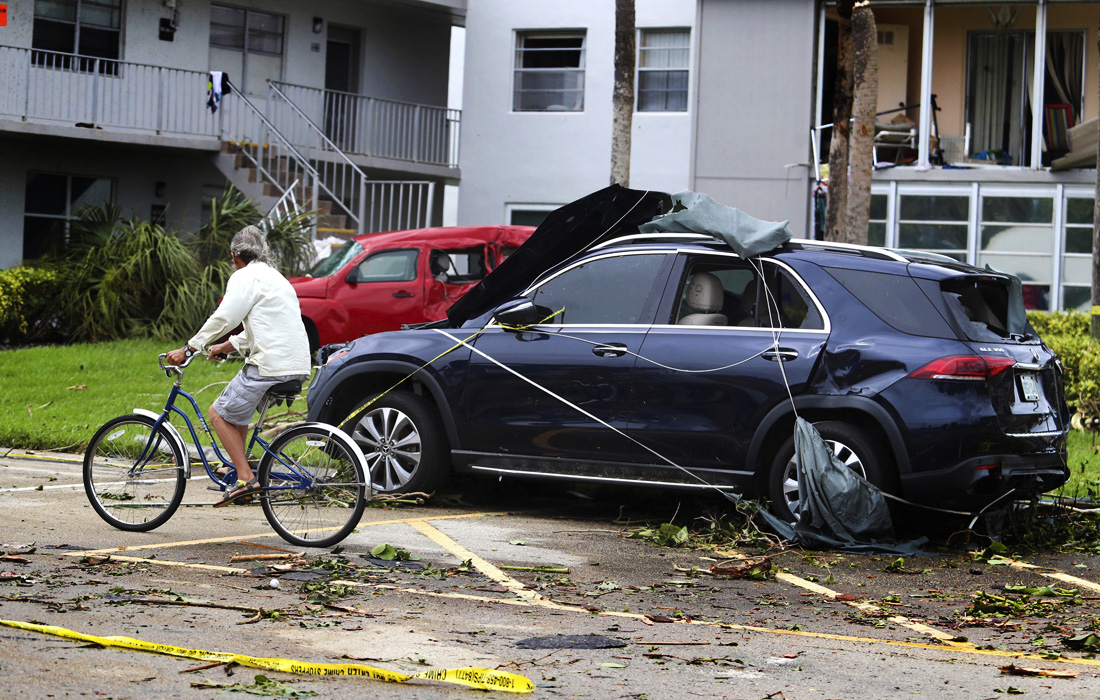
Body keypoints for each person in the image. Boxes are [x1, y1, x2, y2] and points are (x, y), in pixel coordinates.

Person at [166, 226, 311, 507]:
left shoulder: (244, 276)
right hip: (296, 363)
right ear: (263, 252)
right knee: (238, 414)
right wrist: (225, 346)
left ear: (235, 257)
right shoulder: (276, 278)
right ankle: (237, 468)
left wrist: (188, 348)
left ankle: (246, 479)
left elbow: (225, 317)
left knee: (218, 414)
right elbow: (266, 328)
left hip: (269, 365)